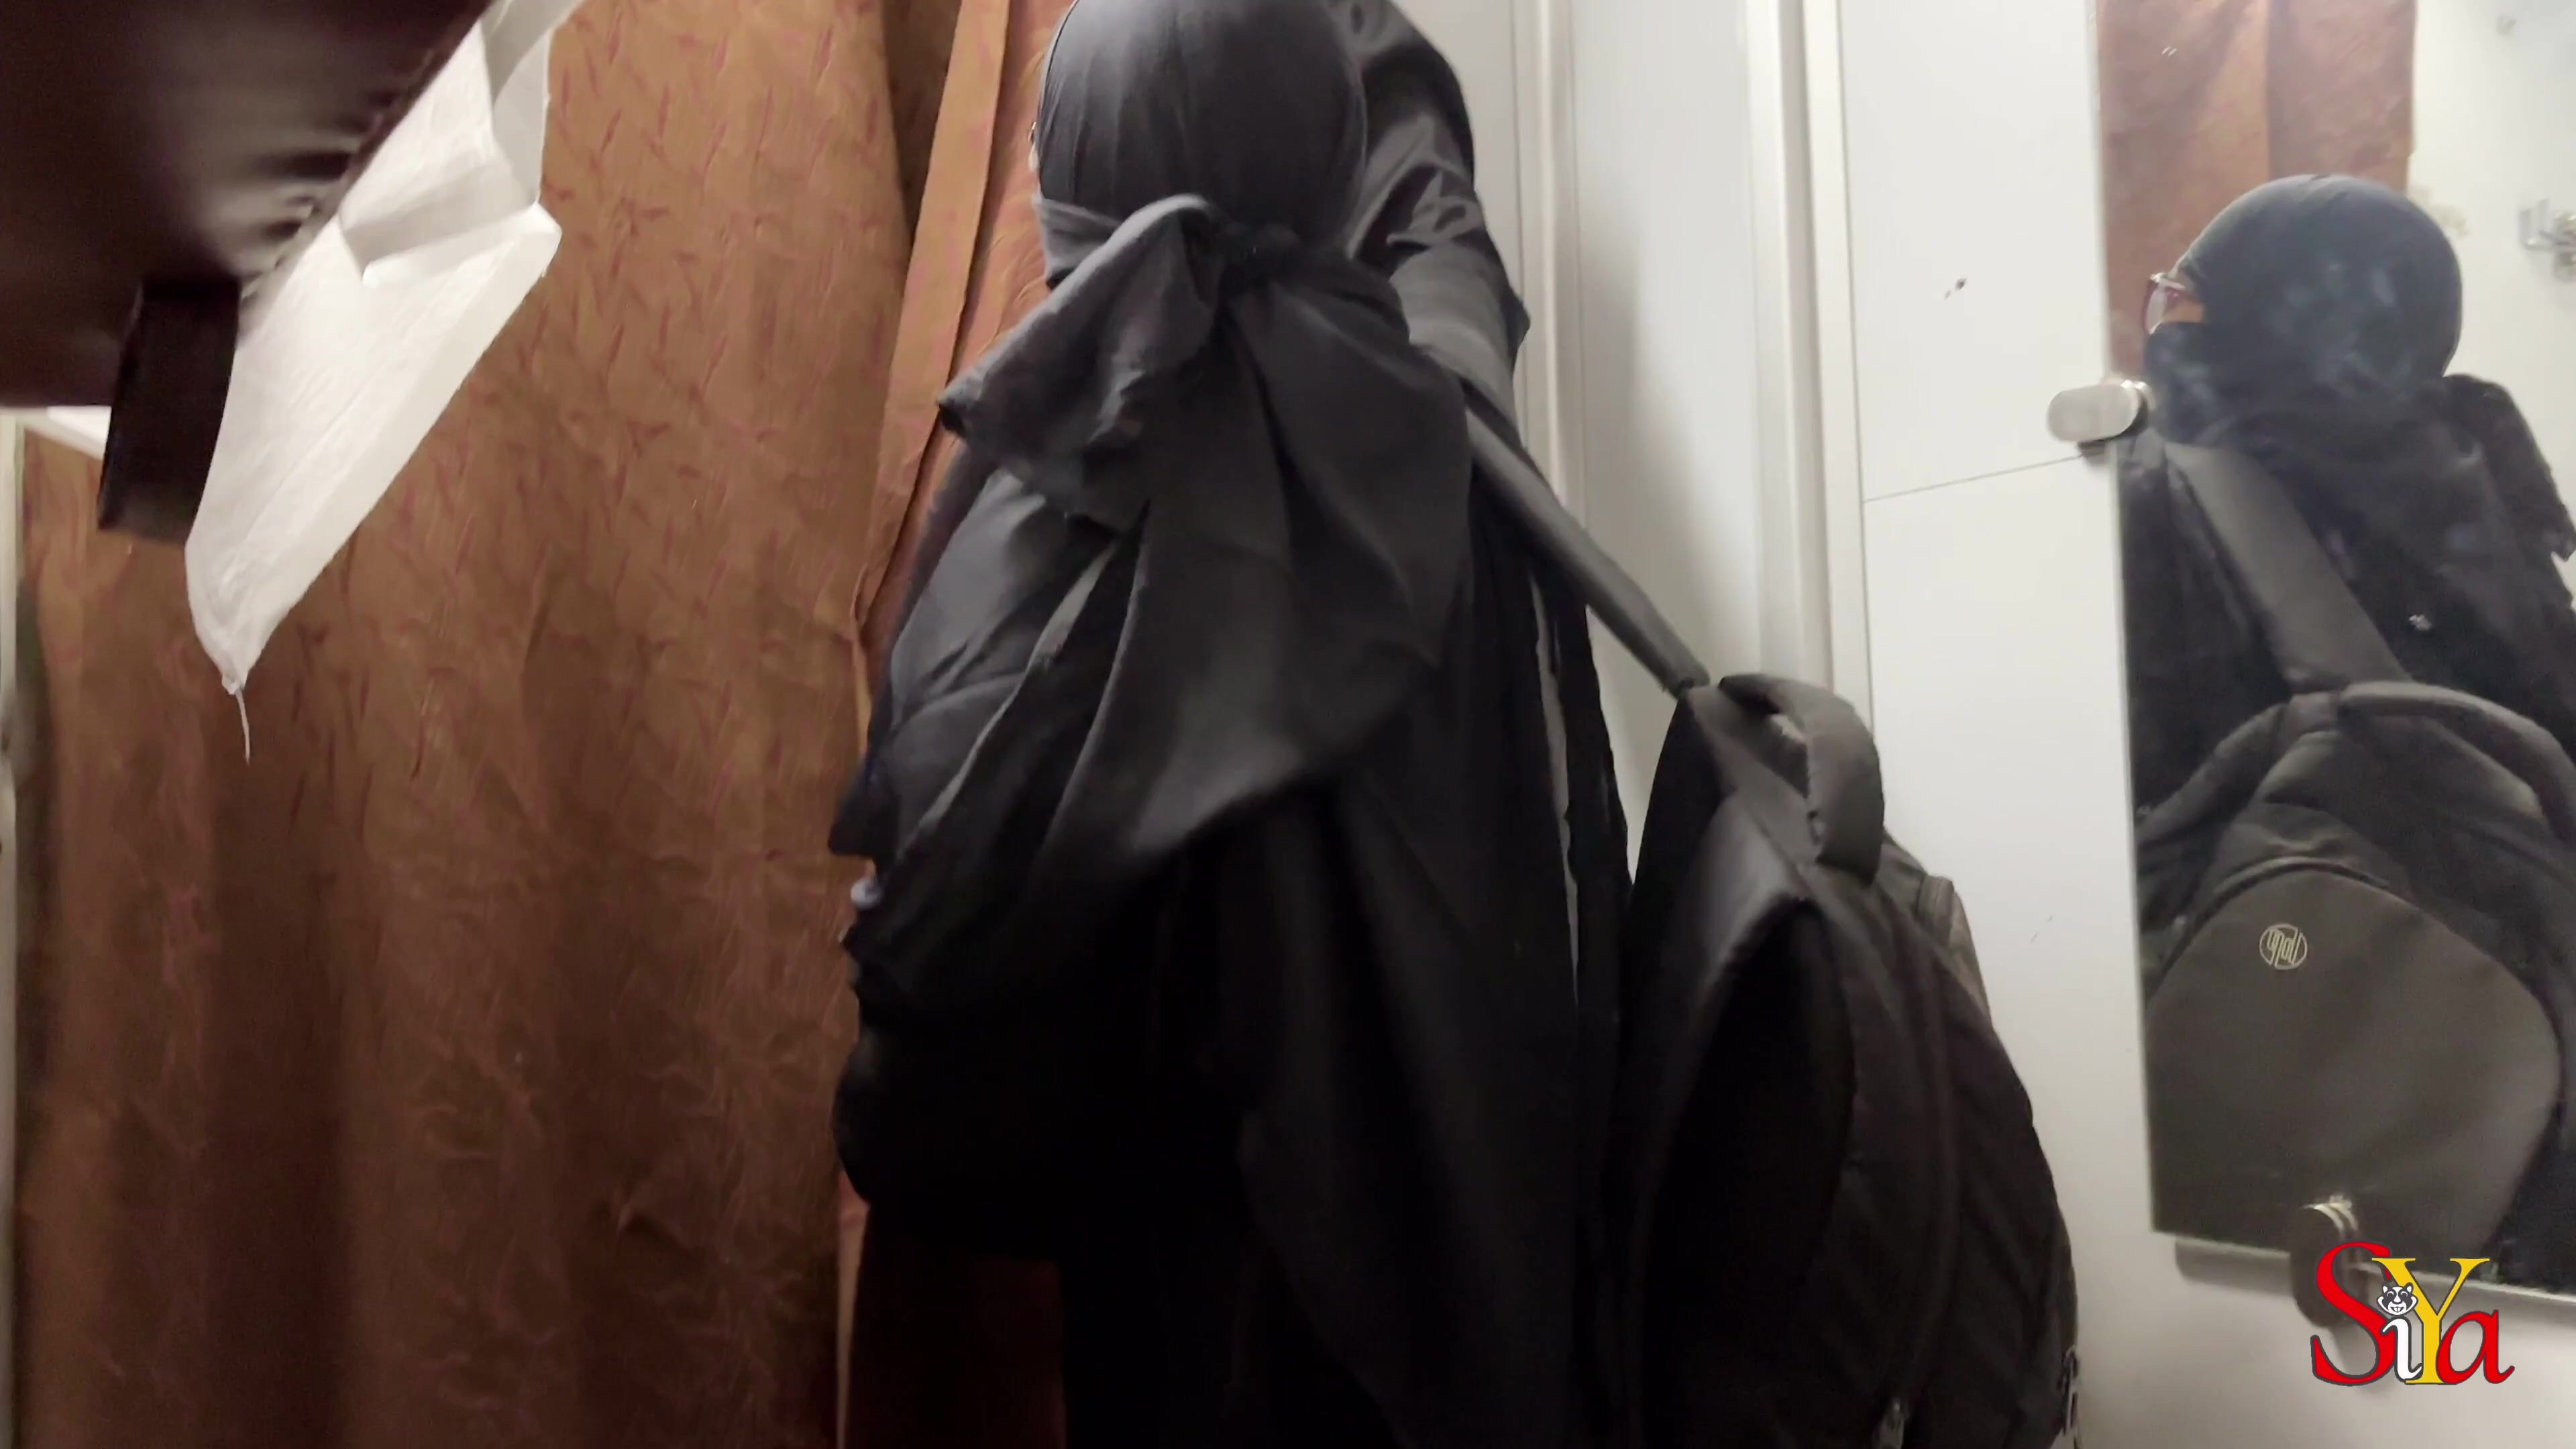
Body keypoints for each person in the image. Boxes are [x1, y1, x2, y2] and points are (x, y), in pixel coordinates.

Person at [830, 1, 1624, 1444]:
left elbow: (924, 1129)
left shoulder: (1047, 548)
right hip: (1490, 1333)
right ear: (1332, 156)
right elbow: (1437, 239)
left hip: (1199, 1368)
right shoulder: (1441, 461)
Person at [2121, 174, 2576, 813]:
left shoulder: (2163, 499)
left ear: (2262, 322)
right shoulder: (2478, 469)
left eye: (2174, 299)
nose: (2160, 331)